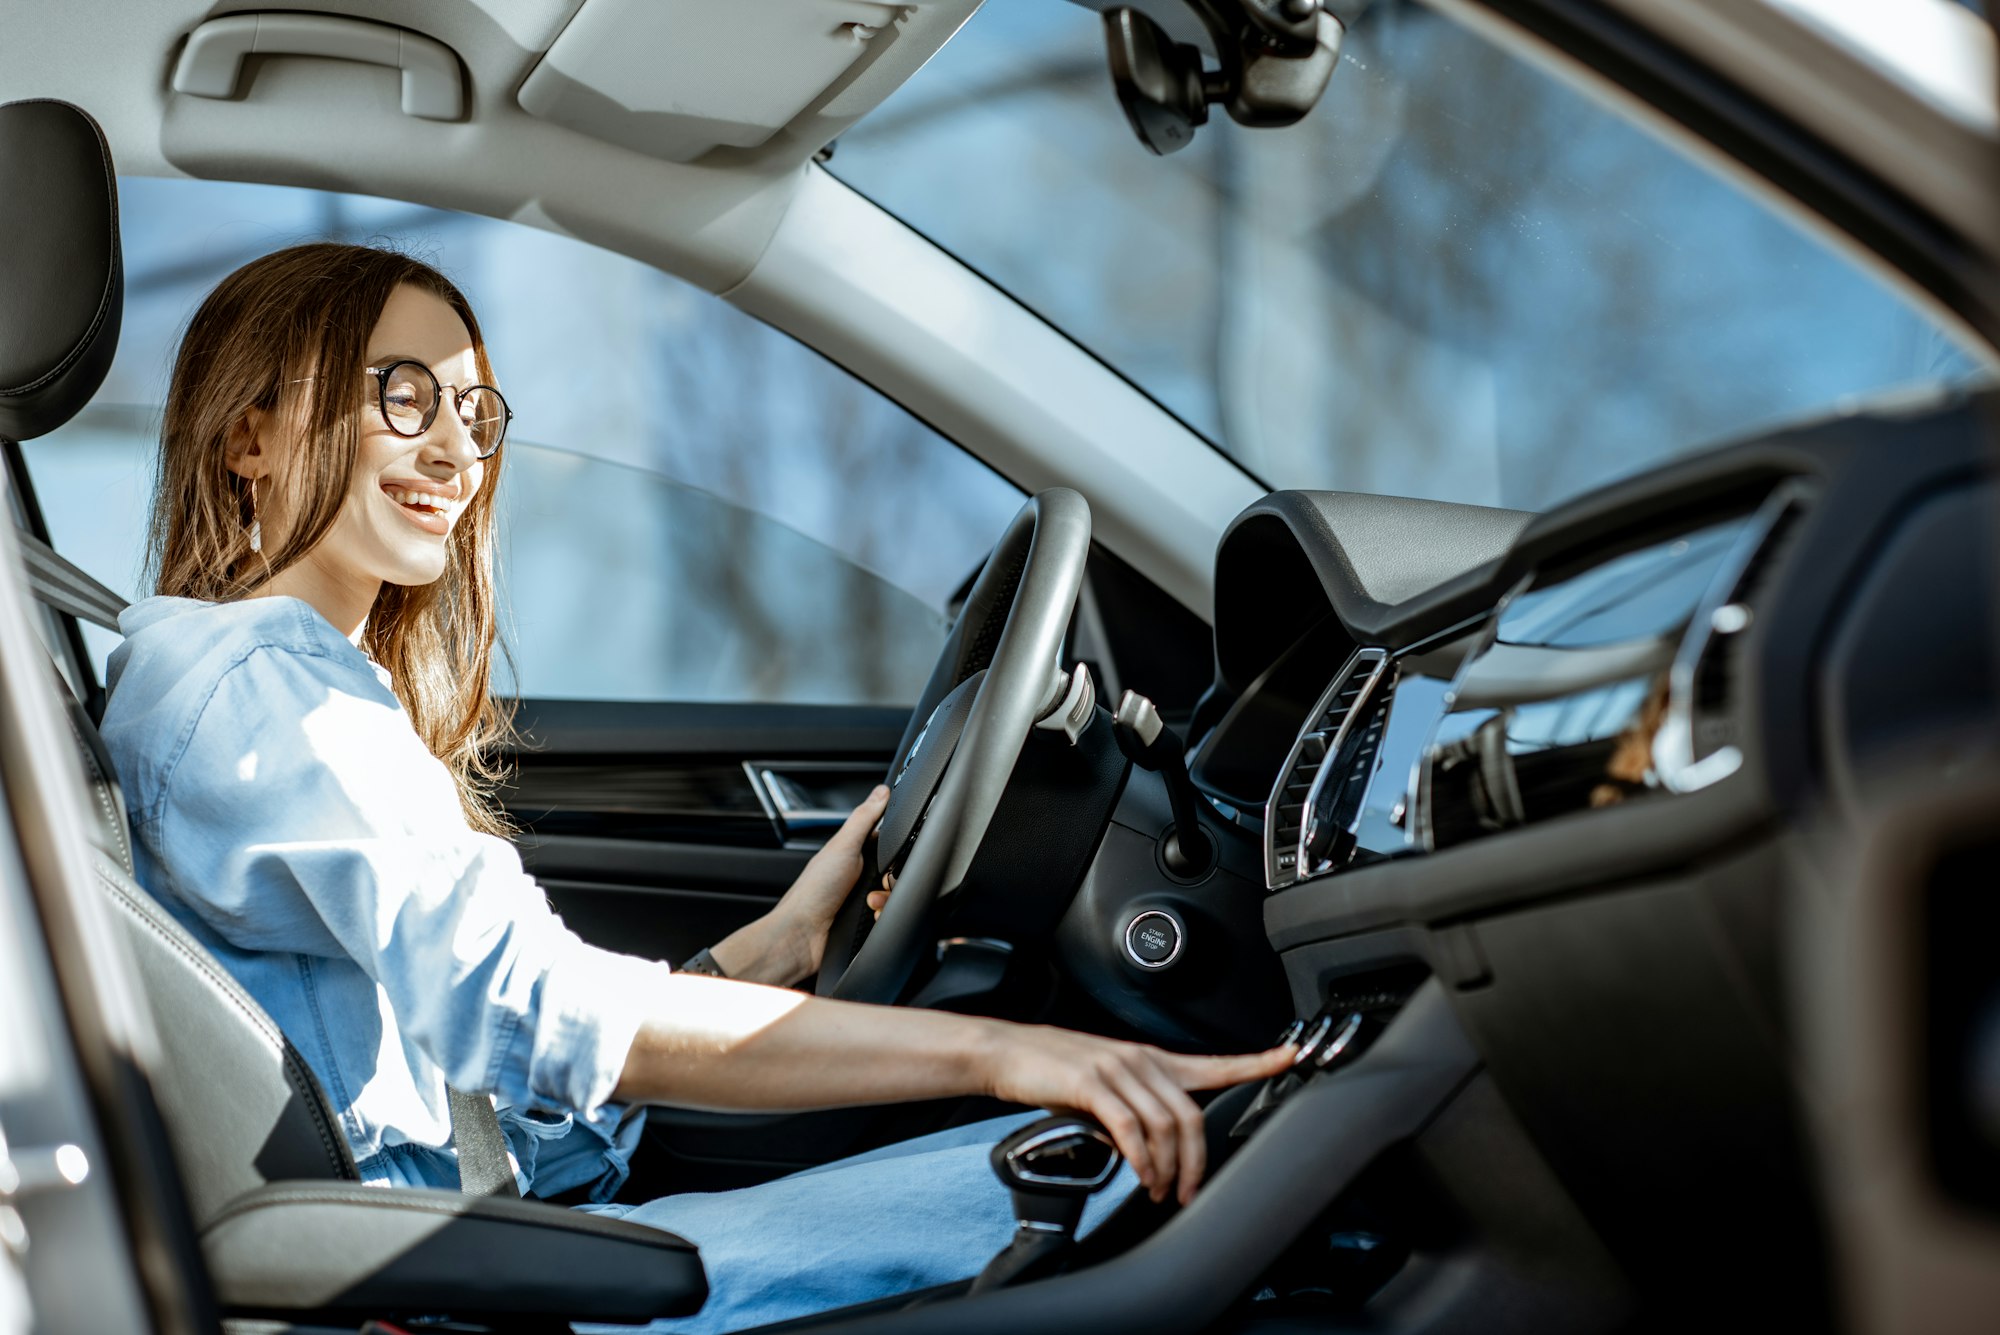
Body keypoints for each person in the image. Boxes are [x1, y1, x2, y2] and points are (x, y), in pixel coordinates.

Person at [99, 242, 1292, 1331]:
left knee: (1128, 1174)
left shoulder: (282, 682)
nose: (458, 450)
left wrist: (760, 953)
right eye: (400, 395)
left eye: (475, 410)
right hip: (471, 1286)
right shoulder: (270, 691)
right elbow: (522, 1005)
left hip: (509, 1233)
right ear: (246, 438)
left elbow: (469, 1055)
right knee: (1193, 1192)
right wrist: (999, 1053)